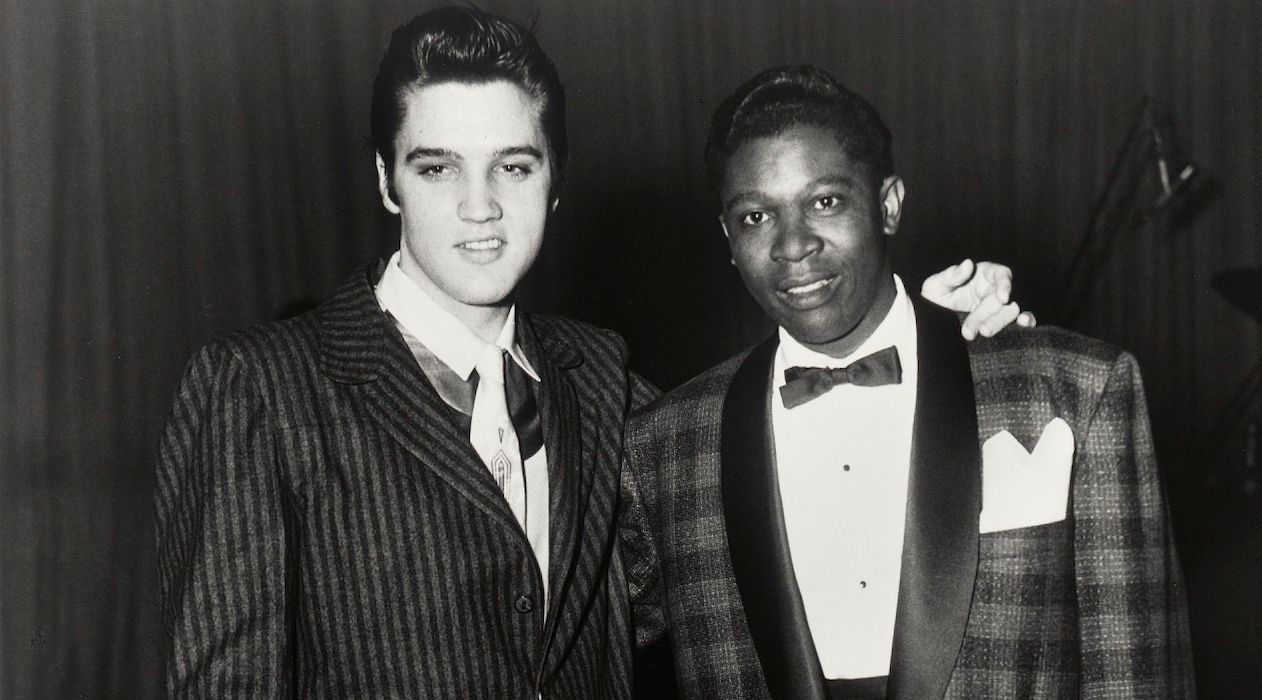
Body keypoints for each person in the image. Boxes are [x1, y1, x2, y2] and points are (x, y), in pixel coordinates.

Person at [154, 7, 1025, 697]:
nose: (480, 206)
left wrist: (931, 336)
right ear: (386, 179)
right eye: (436, 168)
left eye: (515, 166)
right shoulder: (258, 388)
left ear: (556, 180)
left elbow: (758, 500)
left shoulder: (609, 386)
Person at [623, 65, 1195, 699]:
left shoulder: (1079, 390)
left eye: (825, 202)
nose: (792, 246)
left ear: (888, 205)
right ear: (728, 238)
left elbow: (1139, 674)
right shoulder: (663, 444)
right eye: (756, 216)